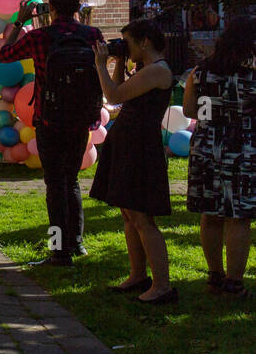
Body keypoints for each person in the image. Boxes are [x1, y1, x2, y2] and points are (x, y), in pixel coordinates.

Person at [0, 0, 104, 267]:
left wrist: (20, 22)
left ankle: (59, 251)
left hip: (49, 118)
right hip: (81, 119)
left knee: (54, 184)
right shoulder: (92, 34)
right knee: (71, 182)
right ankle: (77, 243)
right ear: (79, 3)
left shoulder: (40, 37)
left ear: (51, 6)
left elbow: (4, 56)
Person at [89, 19, 176, 303]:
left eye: (127, 42)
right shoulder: (145, 70)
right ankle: (138, 275)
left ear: (145, 42)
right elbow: (120, 91)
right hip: (128, 144)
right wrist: (118, 61)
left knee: (142, 218)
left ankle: (162, 286)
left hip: (140, 148)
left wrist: (100, 63)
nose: (123, 47)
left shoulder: (157, 71)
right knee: (128, 215)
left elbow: (113, 96)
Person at [183, 15, 255, 299]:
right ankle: (234, 284)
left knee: (210, 213)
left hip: (206, 147)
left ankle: (215, 277)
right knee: (239, 217)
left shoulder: (200, 72)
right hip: (245, 149)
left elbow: (189, 110)